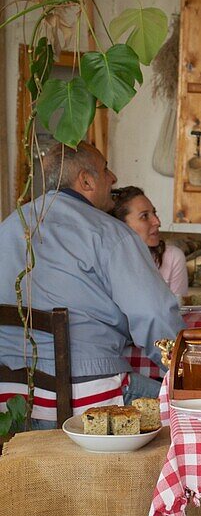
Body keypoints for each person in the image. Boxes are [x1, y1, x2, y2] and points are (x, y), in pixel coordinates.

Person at [0, 141, 183, 427]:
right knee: (187, 413)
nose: (113, 178)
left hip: (10, 402)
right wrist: (184, 376)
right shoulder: (110, 233)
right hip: (88, 400)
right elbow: (155, 316)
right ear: (85, 180)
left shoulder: (9, 227)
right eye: (105, 169)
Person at [110, 185, 189, 296]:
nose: (157, 222)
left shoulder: (172, 257)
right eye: (144, 216)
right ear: (120, 225)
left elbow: (178, 309)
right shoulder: (105, 263)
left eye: (154, 213)